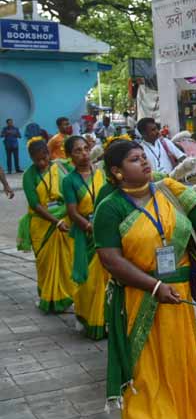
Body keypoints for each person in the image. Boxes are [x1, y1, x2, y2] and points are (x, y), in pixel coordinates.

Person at [94, 140, 196, 419]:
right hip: (139, 298)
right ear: (117, 172)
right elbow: (110, 259)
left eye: (144, 157)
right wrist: (153, 287)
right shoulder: (109, 208)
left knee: (180, 365)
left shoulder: (170, 189)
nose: (144, 163)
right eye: (135, 160)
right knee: (145, 372)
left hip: (176, 295)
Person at [18, 138, 76, 313]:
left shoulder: (61, 168)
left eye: (44, 158)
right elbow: (35, 204)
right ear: (31, 158)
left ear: (49, 153)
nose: (42, 163)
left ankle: (66, 298)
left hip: (65, 221)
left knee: (67, 261)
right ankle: (46, 297)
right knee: (44, 264)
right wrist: (55, 221)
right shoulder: (29, 175)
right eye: (38, 160)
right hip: (42, 224)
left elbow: (76, 187)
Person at [62, 135, 108, 339]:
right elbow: (72, 212)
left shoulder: (101, 174)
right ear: (69, 156)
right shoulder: (69, 180)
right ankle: (84, 315)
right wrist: (90, 227)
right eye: (77, 151)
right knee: (86, 281)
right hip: (84, 235)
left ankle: (103, 320)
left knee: (105, 279)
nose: (84, 154)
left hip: (105, 233)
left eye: (86, 149)